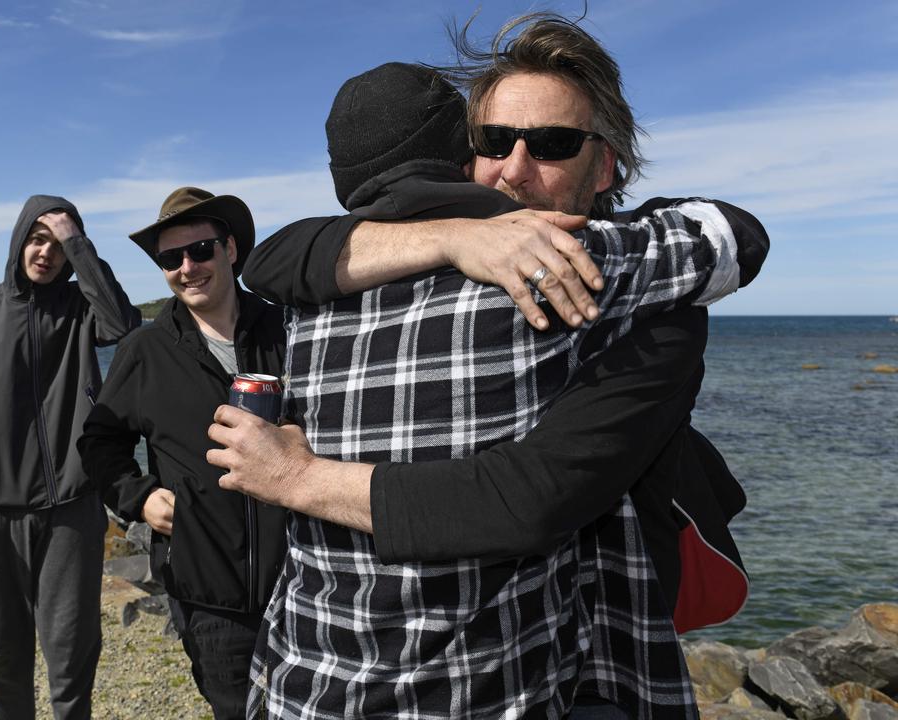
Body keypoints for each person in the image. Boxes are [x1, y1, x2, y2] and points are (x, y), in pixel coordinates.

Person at [207, 54, 763, 717]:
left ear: (605, 166)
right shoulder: (349, 277)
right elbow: (277, 258)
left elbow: (526, 500)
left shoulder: (641, 303)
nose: (515, 168)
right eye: (492, 142)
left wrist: (299, 479)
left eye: (553, 144)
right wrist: (454, 237)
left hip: (603, 666)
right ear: (460, 156)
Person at [77, 187, 288, 719]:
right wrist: (140, 499)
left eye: (201, 251)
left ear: (231, 250)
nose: (187, 267)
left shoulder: (289, 329)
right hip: (208, 594)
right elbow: (100, 442)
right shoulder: (145, 351)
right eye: (171, 259)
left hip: (306, 579)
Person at [0, 195, 141, 719]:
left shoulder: (81, 312)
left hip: (71, 509)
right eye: (38, 238)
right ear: (18, 241)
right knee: (2, 655)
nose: (47, 253)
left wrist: (78, 242)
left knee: (71, 656)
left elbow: (122, 326)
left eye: (58, 244)